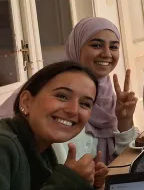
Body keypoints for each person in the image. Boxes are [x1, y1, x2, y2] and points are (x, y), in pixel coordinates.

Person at [0, 17, 138, 165]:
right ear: (77, 46)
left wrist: (124, 121)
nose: (106, 54)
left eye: (114, 47)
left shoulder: (110, 99)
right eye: (96, 45)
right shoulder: (46, 88)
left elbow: (125, 162)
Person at [0, 61, 107, 189]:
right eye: (62, 96)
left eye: (84, 104)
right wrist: (70, 180)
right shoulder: (3, 145)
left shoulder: (43, 153)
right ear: (26, 102)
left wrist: (90, 185)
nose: (73, 110)